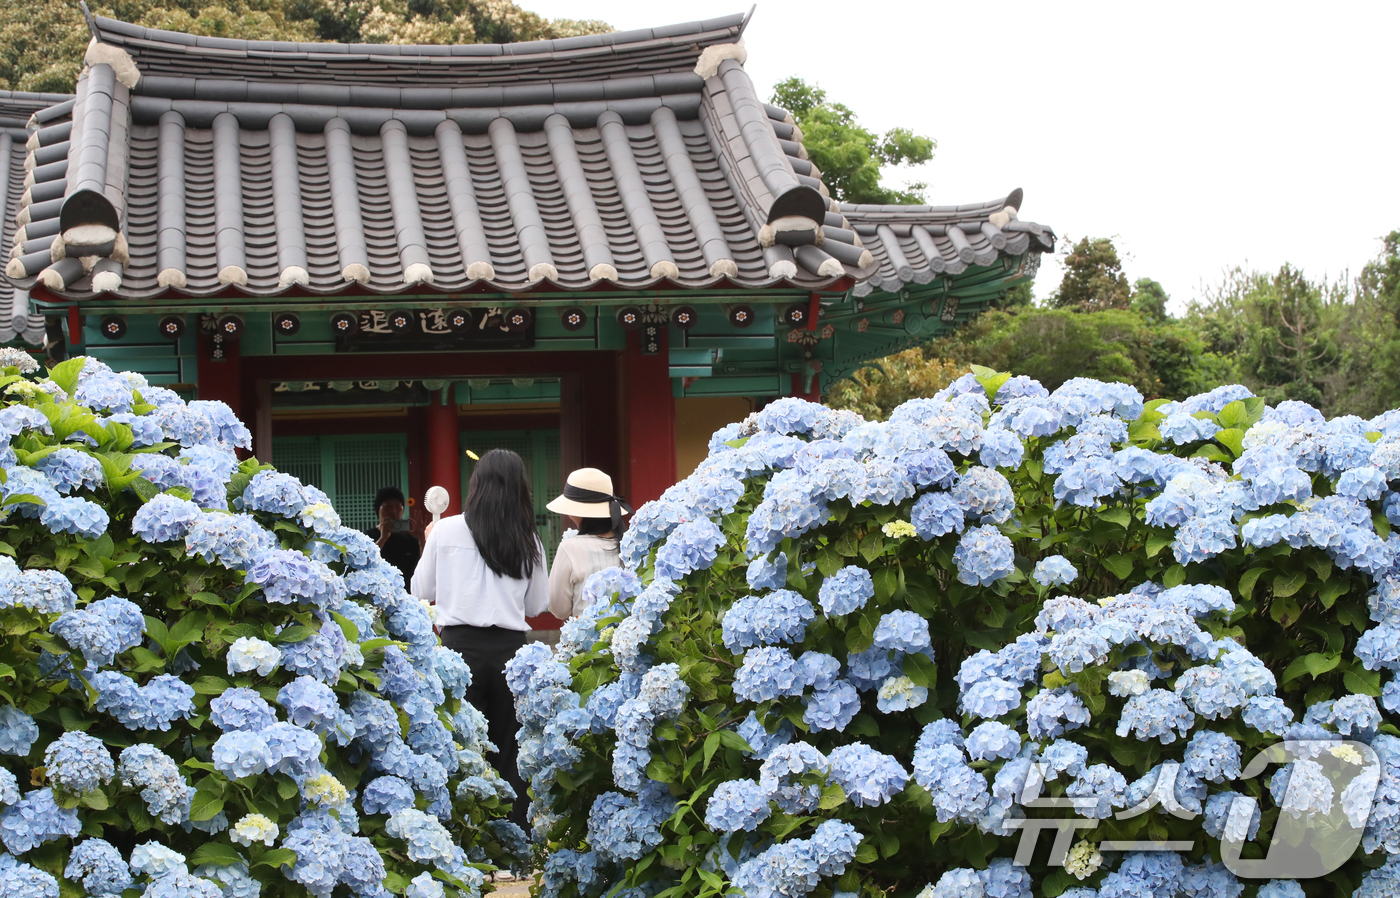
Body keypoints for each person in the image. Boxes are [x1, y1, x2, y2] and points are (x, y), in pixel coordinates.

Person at [411, 449, 547, 826]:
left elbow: (420, 590)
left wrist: (429, 542)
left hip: (459, 652)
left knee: (461, 749)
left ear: (476, 485)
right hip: (510, 654)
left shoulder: (446, 530)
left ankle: (466, 837)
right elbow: (537, 605)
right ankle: (513, 836)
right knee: (510, 751)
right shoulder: (529, 538)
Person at [546, 468, 630, 620]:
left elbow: (559, 609)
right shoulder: (629, 545)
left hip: (585, 634)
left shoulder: (569, 548)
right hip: (630, 633)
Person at [365, 487, 421, 588]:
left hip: (406, 594)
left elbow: (423, 567)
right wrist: (383, 538)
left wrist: (421, 540)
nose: (393, 511)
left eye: (398, 507)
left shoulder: (410, 540)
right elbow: (365, 562)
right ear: (378, 510)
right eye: (388, 506)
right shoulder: (367, 537)